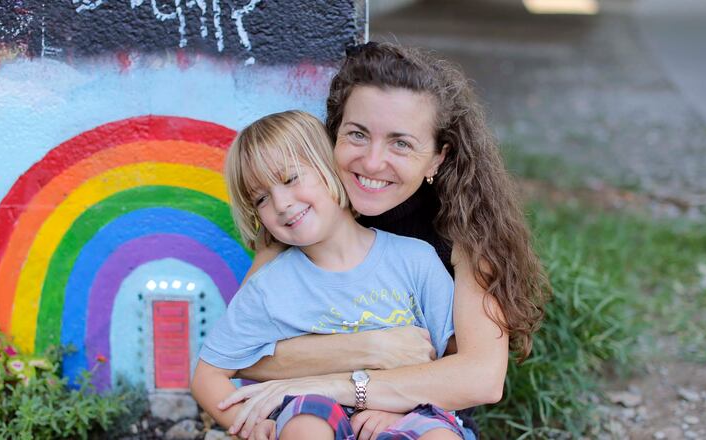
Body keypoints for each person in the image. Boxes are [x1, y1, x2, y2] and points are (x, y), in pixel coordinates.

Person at [201, 42, 549, 440]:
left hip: (417, 415)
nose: (371, 162)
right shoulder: (300, 220)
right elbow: (241, 357)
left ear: (437, 158)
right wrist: (369, 348)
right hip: (313, 413)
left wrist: (352, 388)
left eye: (401, 143)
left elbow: (480, 377)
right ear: (332, 135)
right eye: (358, 134)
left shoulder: (468, 229)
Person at [191, 110, 469, 439]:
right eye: (261, 198)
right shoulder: (269, 288)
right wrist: (254, 425)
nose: (280, 203)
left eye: (290, 179)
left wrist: (395, 405)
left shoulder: (415, 259)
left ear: (330, 167)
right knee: (304, 427)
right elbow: (207, 376)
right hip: (313, 407)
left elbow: (451, 359)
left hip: (404, 407)